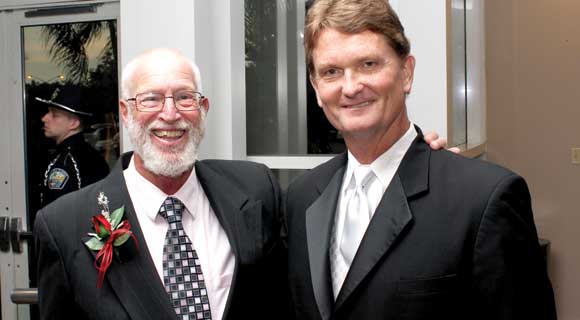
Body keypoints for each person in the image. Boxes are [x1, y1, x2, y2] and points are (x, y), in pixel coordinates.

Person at [285, 1, 557, 319]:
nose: (351, 87)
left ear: (406, 73)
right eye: (331, 72)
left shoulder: (483, 199)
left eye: (369, 64)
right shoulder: (302, 198)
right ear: (317, 89)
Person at [34, 48, 287, 320]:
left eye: (184, 98)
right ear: (126, 112)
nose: (170, 114)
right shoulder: (64, 226)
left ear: (203, 109)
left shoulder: (254, 189)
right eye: (151, 99)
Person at [36, 85, 110, 207]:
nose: (44, 118)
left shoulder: (68, 161)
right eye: (48, 112)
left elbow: (57, 215)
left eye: (54, 115)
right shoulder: (88, 154)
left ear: (73, 123)